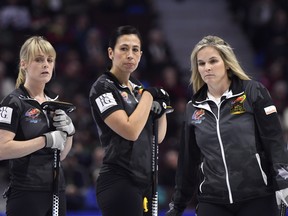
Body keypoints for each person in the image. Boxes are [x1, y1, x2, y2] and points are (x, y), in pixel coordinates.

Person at [166, 35, 288, 216]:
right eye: (201, 63)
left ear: (227, 63)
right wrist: (177, 206)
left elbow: (274, 141)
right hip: (213, 200)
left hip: (257, 196)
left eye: (213, 61)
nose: (207, 67)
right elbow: (188, 161)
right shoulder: (193, 108)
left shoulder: (253, 92)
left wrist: (283, 183)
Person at [89, 25, 171, 216]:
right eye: (123, 48)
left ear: (141, 55)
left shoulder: (138, 89)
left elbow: (157, 137)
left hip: (146, 181)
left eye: (135, 50)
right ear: (111, 52)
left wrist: (162, 110)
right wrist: (150, 96)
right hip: (119, 181)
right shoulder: (102, 86)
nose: (130, 55)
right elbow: (130, 131)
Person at [0, 36, 75, 216]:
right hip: (27, 191)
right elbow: (2, 149)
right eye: (39, 60)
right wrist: (45, 140)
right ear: (24, 64)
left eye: (50, 60)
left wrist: (70, 132)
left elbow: (62, 154)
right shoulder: (13, 102)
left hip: (57, 189)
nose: (46, 65)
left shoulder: (55, 102)